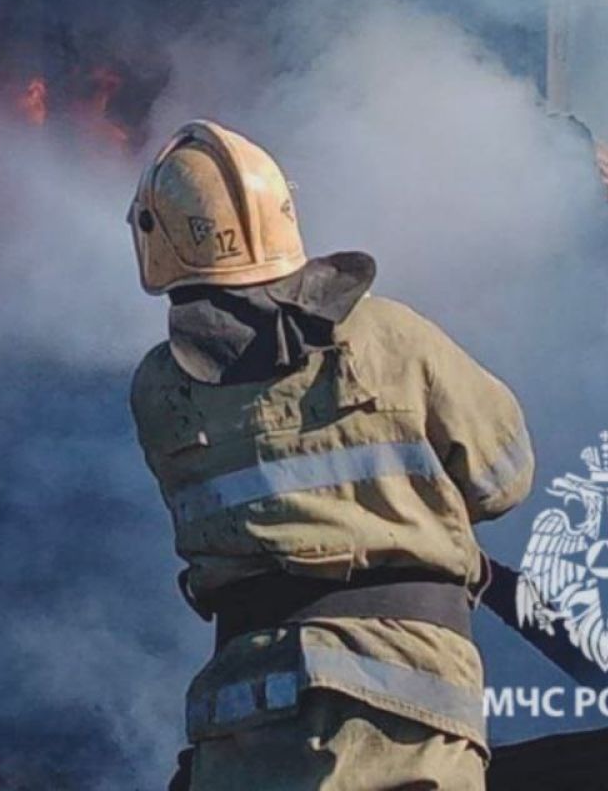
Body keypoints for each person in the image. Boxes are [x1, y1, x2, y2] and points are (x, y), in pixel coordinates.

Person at [127, 120, 534, 790]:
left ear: (155, 239)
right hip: (410, 708)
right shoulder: (393, 336)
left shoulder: (162, 388)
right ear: (283, 214)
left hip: (248, 717)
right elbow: (503, 479)